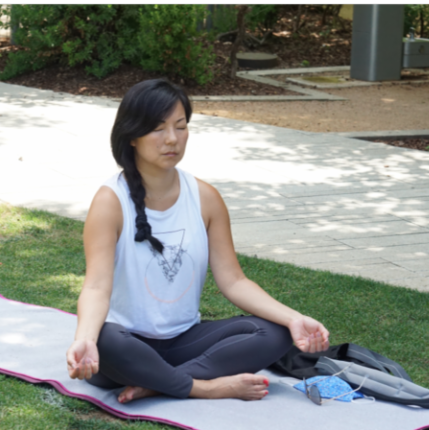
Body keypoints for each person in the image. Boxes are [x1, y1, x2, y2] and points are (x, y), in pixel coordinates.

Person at [65, 78, 330, 403]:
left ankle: (157, 383)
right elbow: (95, 287)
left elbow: (233, 281)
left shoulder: (205, 197)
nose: (172, 139)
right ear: (132, 135)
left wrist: (293, 318)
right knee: (106, 341)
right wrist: (85, 338)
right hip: (125, 347)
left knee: (275, 332)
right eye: (158, 129)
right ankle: (204, 386)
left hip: (183, 342)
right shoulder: (111, 201)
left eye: (181, 126)